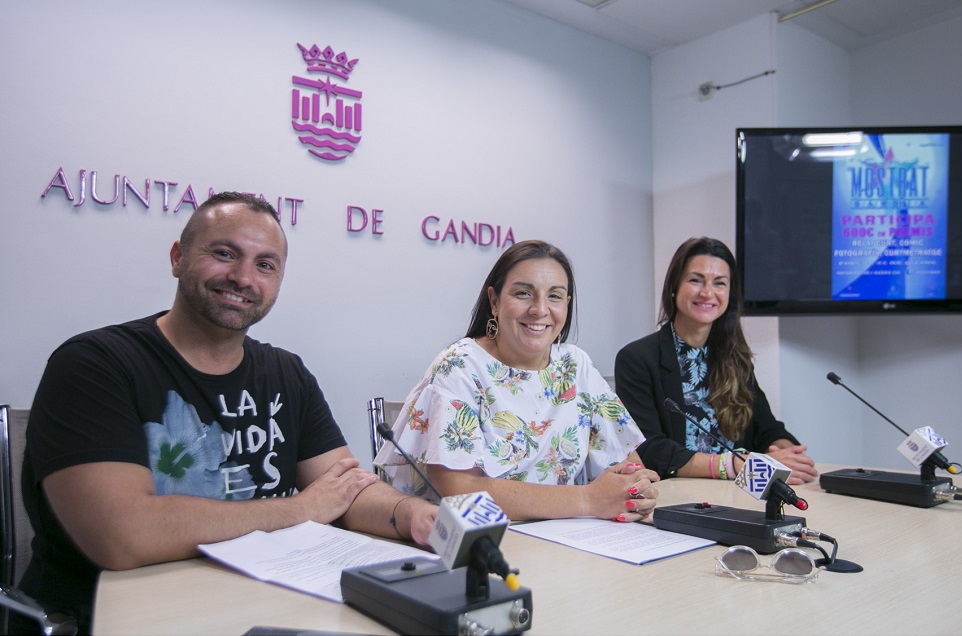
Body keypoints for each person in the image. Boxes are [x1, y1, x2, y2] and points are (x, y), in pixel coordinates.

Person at [18, 192, 437, 635]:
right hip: (113, 618)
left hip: (266, 609)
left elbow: (344, 491)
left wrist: (414, 515)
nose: (243, 278)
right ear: (178, 257)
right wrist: (300, 509)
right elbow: (124, 535)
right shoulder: (94, 364)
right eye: (223, 254)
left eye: (265, 265)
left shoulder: (286, 373)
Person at [374, 240, 659, 522]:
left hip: (566, 538)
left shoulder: (576, 364)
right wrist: (587, 499)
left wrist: (635, 489)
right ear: (494, 302)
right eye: (523, 293)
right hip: (477, 540)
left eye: (555, 296)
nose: (539, 309)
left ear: (567, 304)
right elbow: (461, 492)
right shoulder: (459, 367)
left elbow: (625, 461)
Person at [614, 237, 818, 485]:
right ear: (674, 286)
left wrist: (785, 453)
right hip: (677, 495)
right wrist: (736, 465)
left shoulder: (735, 358)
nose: (707, 293)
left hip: (738, 491)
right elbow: (650, 449)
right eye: (695, 280)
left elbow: (766, 428)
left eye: (719, 283)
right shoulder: (636, 359)